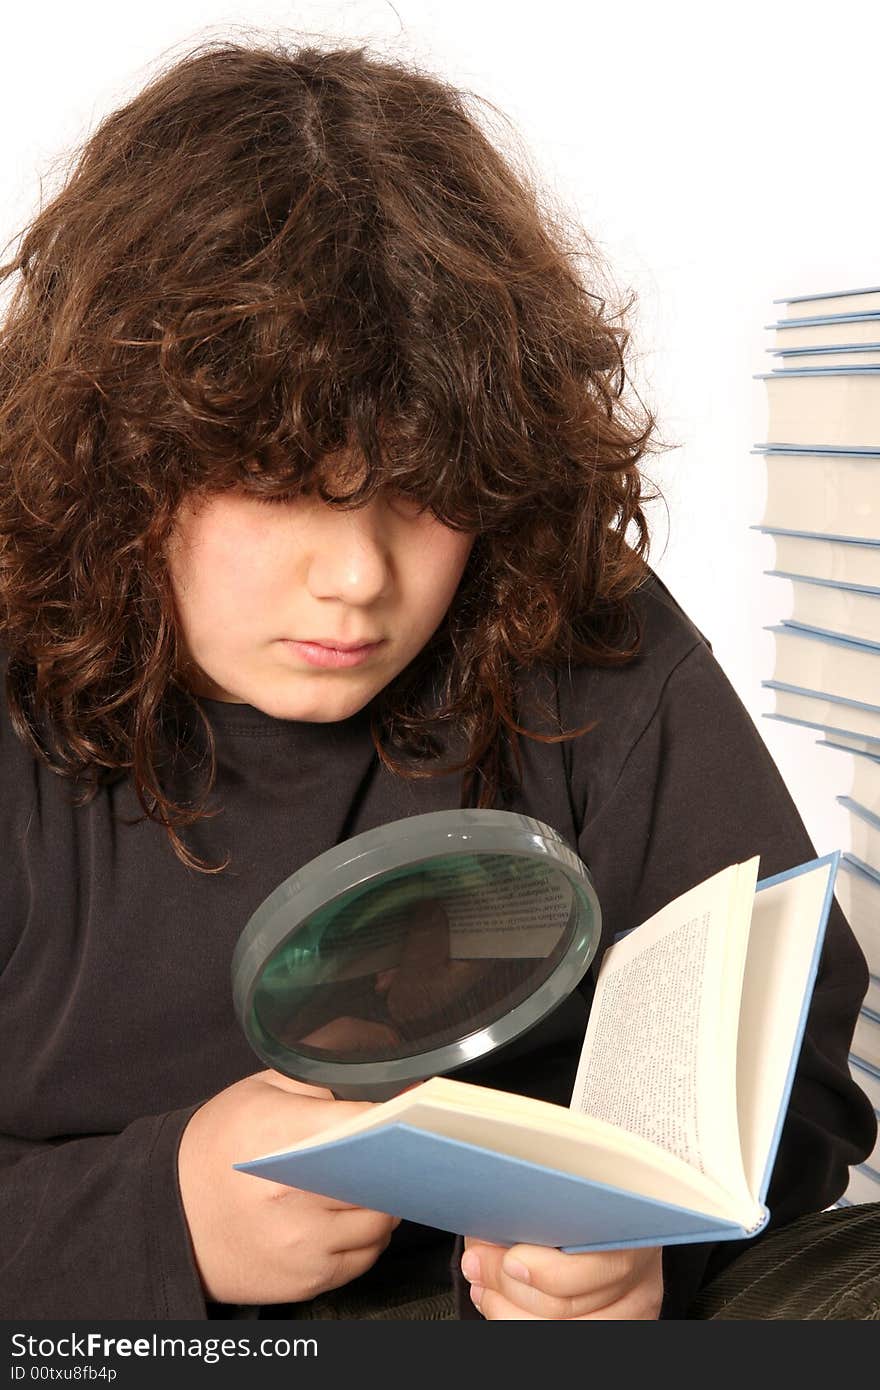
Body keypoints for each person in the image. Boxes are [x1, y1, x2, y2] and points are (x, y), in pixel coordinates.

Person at [0, 38, 874, 1324]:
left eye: (427, 492)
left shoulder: (570, 624)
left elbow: (798, 1071)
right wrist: (157, 1213)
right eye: (279, 487)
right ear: (120, 461)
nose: (357, 573)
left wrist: (638, 1241)